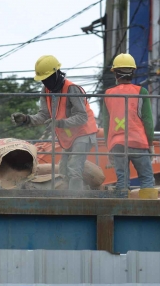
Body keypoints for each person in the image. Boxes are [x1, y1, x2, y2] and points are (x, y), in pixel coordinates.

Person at [11, 55, 98, 190]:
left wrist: (59, 123)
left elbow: (82, 117)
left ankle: (76, 201)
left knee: (74, 168)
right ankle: (66, 197)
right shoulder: (46, 91)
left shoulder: (71, 89)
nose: (46, 82)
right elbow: (44, 115)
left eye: (48, 78)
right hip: (69, 137)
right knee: (63, 170)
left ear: (57, 73)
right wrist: (26, 119)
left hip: (83, 134)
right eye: (43, 79)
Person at [101, 53, 156, 198]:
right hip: (138, 141)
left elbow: (106, 124)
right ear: (133, 72)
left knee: (122, 181)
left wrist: (109, 147)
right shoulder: (141, 92)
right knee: (146, 178)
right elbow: (148, 122)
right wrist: (150, 143)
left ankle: (121, 211)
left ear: (115, 74)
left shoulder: (108, 94)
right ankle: (148, 213)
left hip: (117, 144)